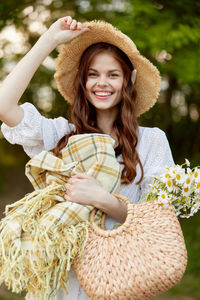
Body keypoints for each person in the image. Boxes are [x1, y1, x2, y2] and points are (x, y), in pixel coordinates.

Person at [0, 16, 174, 300]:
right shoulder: (60, 134)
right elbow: (3, 105)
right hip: (60, 286)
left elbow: (157, 221)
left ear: (127, 80)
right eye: (92, 74)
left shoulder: (152, 140)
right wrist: (50, 40)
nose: (101, 83)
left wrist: (102, 199)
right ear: (83, 80)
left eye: (112, 74)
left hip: (118, 281)